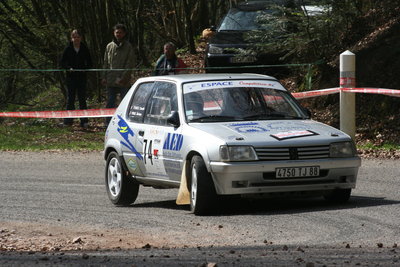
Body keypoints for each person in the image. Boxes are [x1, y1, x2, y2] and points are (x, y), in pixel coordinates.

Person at [101, 24, 135, 124]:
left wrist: (123, 78)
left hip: (123, 81)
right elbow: (106, 62)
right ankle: (108, 123)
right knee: (110, 102)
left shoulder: (128, 46)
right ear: (114, 33)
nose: (118, 34)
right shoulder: (109, 46)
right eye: (117, 32)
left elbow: (130, 64)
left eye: (120, 32)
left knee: (125, 102)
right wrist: (104, 76)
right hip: (110, 80)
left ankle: (125, 122)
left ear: (124, 34)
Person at [60, 29, 92, 128]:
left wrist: (84, 69)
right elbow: (61, 63)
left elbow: (90, 63)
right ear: (71, 38)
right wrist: (68, 68)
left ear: (81, 38)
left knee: (82, 99)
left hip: (82, 78)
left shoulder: (84, 48)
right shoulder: (68, 49)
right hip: (71, 78)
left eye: (78, 37)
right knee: (70, 99)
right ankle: (68, 121)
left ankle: (84, 121)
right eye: (74, 37)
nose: (76, 39)